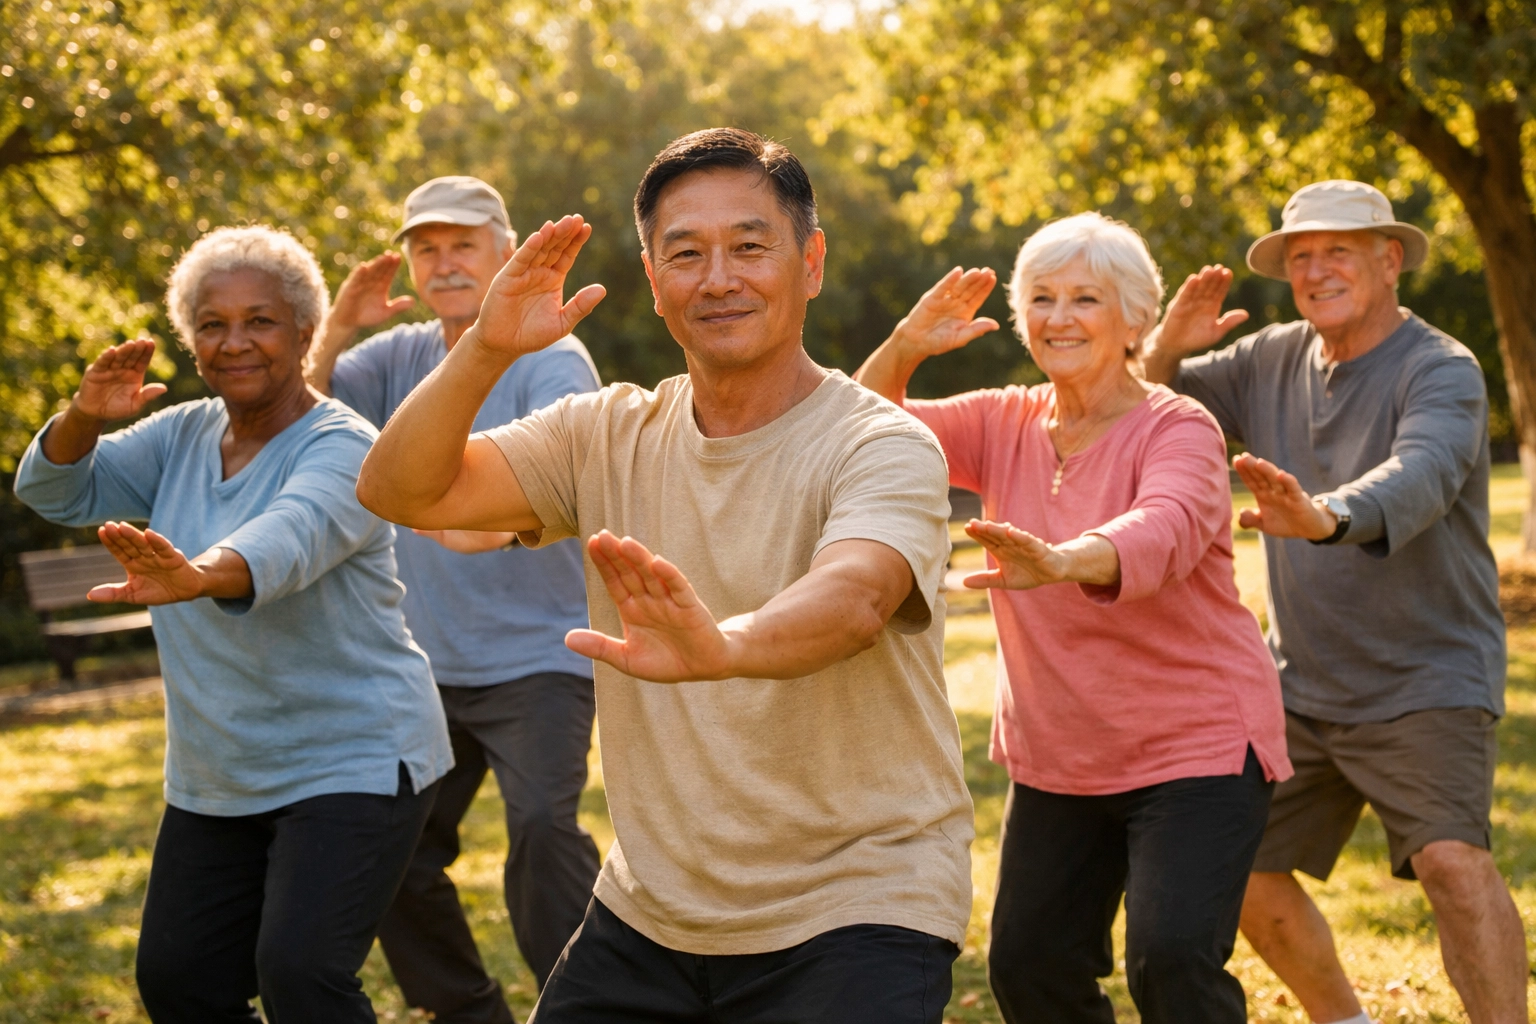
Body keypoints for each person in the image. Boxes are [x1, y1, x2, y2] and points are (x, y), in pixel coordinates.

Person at [354, 128, 974, 1023]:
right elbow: (400, 488)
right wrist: (486, 348)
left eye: (751, 247)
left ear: (812, 262)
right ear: (653, 281)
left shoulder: (879, 441)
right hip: (651, 911)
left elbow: (857, 598)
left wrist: (724, 645)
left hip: (859, 900)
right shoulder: (602, 434)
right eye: (686, 254)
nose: (718, 278)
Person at [855, 212, 1292, 1023]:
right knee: (1029, 968)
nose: (1059, 318)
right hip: (1061, 753)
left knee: (1173, 964)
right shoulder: (1001, 421)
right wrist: (906, 344)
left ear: (1134, 320)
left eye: (1085, 298)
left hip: (1196, 745)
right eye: (1043, 299)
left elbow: (1162, 529)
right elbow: (853, 429)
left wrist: (1062, 561)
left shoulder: (1179, 428)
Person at [13, 225, 453, 1023]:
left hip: (355, 757)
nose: (235, 342)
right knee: (181, 982)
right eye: (213, 325)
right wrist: (83, 414)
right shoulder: (182, 433)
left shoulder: (346, 446)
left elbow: (288, 537)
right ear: (191, 340)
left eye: (260, 321)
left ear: (305, 332)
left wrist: (198, 575)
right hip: (222, 770)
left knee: (302, 977)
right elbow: (56, 492)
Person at [1143, 179, 1525, 1024]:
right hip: (1301, 684)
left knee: (1452, 863)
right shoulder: (1268, 358)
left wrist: (1327, 517)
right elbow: (1142, 412)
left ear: (1390, 260)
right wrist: (1165, 347)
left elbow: (1422, 472)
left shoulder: (1441, 369)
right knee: (1233, 864)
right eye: (1301, 257)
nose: (1316, 271)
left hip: (1426, 677)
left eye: (1338, 251)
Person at [305, 175, 602, 1021]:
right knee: (389, 854)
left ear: (505, 252)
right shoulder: (392, 358)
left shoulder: (551, 354)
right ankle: (470, 1012)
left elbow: (573, 474)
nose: (443, 264)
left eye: (463, 243)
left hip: (539, 655)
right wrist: (334, 327)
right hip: (422, 664)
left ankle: (583, 1006)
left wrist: (481, 521)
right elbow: (303, 415)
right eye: (425, 248)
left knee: (545, 829)